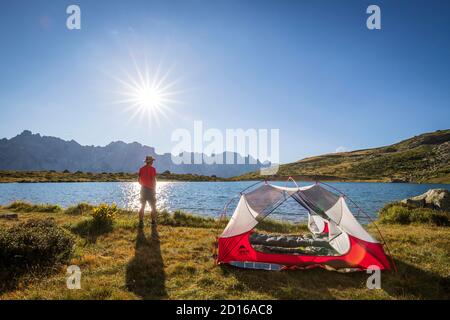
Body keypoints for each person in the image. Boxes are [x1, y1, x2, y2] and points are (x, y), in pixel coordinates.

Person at [138, 156, 157, 226]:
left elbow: (139, 181)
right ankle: (153, 222)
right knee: (153, 207)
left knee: (142, 206)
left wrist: (144, 185)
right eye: (152, 161)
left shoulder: (141, 169)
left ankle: (140, 222)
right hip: (151, 190)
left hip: (143, 189)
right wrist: (154, 189)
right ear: (150, 161)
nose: (153, 162)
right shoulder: (153, 169)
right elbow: (154, 180)